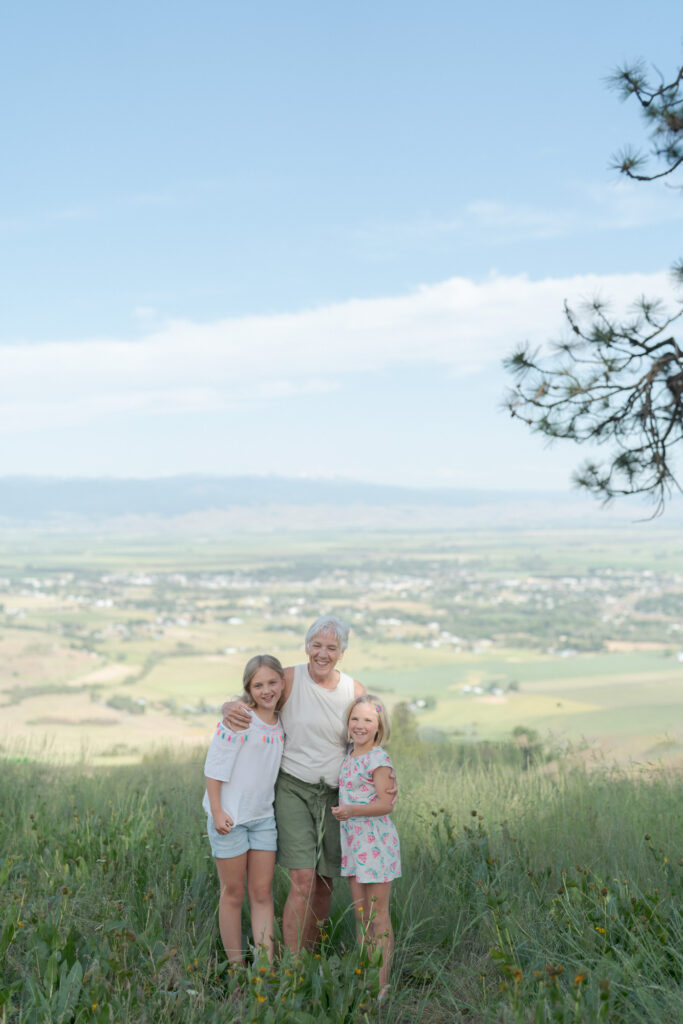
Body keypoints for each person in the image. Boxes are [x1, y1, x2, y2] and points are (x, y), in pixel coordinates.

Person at [223, 615, 366, 951]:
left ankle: (312, 957)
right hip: (293, 788)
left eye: (331, 647)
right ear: (306, 647)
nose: (322, 653)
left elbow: (368, 734)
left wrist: (381, 779)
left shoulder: (354, 691)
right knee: (302, 878)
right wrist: (228, 705)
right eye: (316, 645)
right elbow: (257, 696)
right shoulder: (289, 678)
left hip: (335, 795)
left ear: (341, 653)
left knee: (324, 883)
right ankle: (292, 966)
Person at [204, 654, 285, 963]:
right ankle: (236, 970)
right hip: (230, 818)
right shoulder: (239, 719)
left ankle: (264, 971)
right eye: (258, 684)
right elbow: (214, 768)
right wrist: (217, 811)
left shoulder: (280, 721)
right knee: (233, 893)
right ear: (248, 689)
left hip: (263, 819)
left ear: (282, 682)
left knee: (262, 894)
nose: (266, 690)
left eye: (272, 682)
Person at [331, 695, 400, 994]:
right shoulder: (350, 754)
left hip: (376, 842)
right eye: (355, 719)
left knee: (377, 914)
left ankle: (381, 984)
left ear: (378, 727)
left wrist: (353, 810)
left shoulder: (379, 759)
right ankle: (365, 978)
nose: (360, 725)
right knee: (360, 914)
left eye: (368, 720)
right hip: (354, 843)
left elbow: (386, 804)